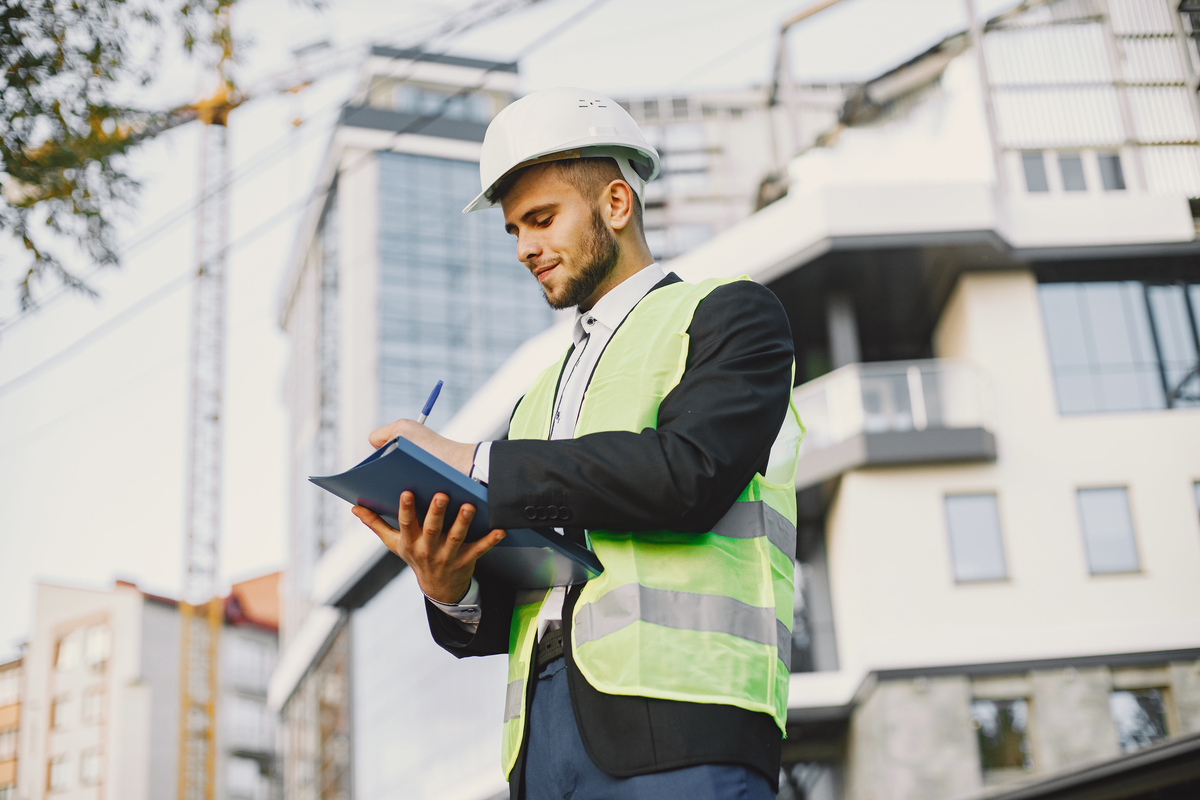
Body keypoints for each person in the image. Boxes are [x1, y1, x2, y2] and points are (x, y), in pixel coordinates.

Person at [353, 87, 802, 800]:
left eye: (541, 218)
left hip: (685, 728)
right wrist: (451, 587)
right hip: (545, 751)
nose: (526, 247)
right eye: (514, 231)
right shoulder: (537, 398)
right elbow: (529, 591)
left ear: (616, 205)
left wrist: (470, 459)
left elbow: (688, 478)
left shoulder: (729, 315)